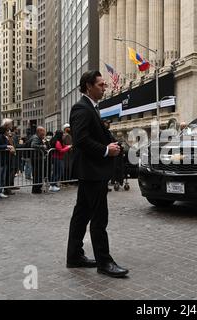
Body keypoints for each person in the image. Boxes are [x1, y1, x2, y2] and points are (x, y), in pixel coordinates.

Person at [66, 70, 128, 278]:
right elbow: (81, 140)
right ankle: (105, 262)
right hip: (91, 172)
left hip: (92, 171)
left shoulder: (92, 108)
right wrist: (105, 150)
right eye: (101, 84)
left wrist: (111, 144)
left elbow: (94, 135)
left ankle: (74, 256)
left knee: (82, 214)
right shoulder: (81, 108)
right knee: (99, 218)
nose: (104, 87)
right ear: (88, 86)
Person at [0, 126, 15, 201]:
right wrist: (6, 146)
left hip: (4, 160)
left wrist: (9, 146)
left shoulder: (5, 137)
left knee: (2, 177)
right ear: (4, 131)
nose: (8, 132)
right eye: (7, 130)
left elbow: (11, 144)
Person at [30, 127, 48, 194]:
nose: (44, 133)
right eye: (43, 131)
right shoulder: (35, 138)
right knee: (37, 174)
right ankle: (36, 189)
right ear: (39, 132)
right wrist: (42, 146)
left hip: (38, 158)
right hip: (36, 159)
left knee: (39, 174)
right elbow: (33, 145)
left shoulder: (38, 137)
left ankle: (38, 188)